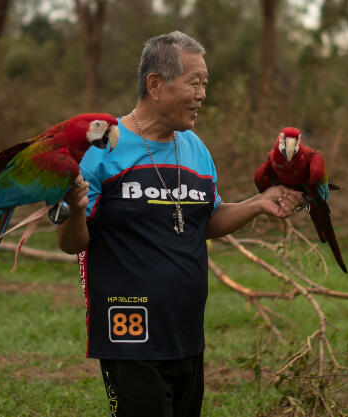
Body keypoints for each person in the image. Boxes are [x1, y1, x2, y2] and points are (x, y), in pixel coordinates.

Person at [56, 31, 302, 417]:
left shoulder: (196, 149)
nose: (203, 94)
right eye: (195, 82)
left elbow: (206, 221)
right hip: (128, 328)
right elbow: (72, 243)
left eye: (205, 83)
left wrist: (258, 203)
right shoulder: (101, 149)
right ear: (156, 84)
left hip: (186, 332)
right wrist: (73, 208)